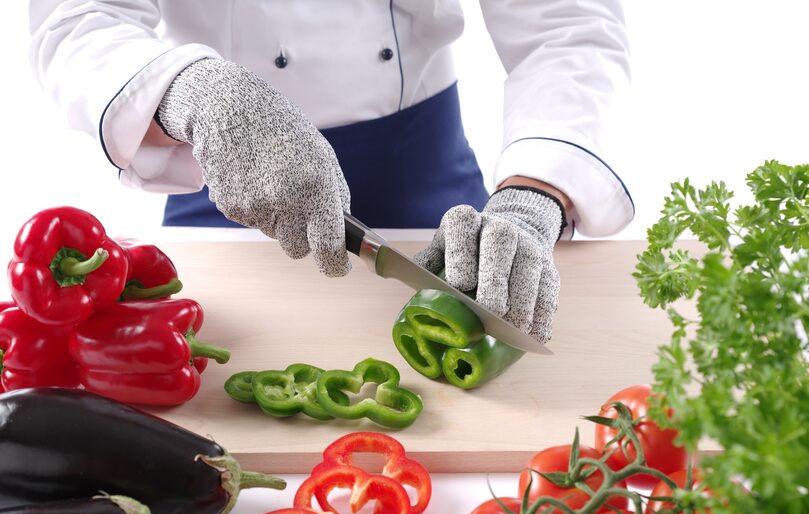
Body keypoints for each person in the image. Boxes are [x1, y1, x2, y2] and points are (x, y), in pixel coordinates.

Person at [28, 1, 633, 344]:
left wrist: (535, 191)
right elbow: (76, 20)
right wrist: (197, 96)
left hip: (425, 170)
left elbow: (566, 25)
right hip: (231, 177)